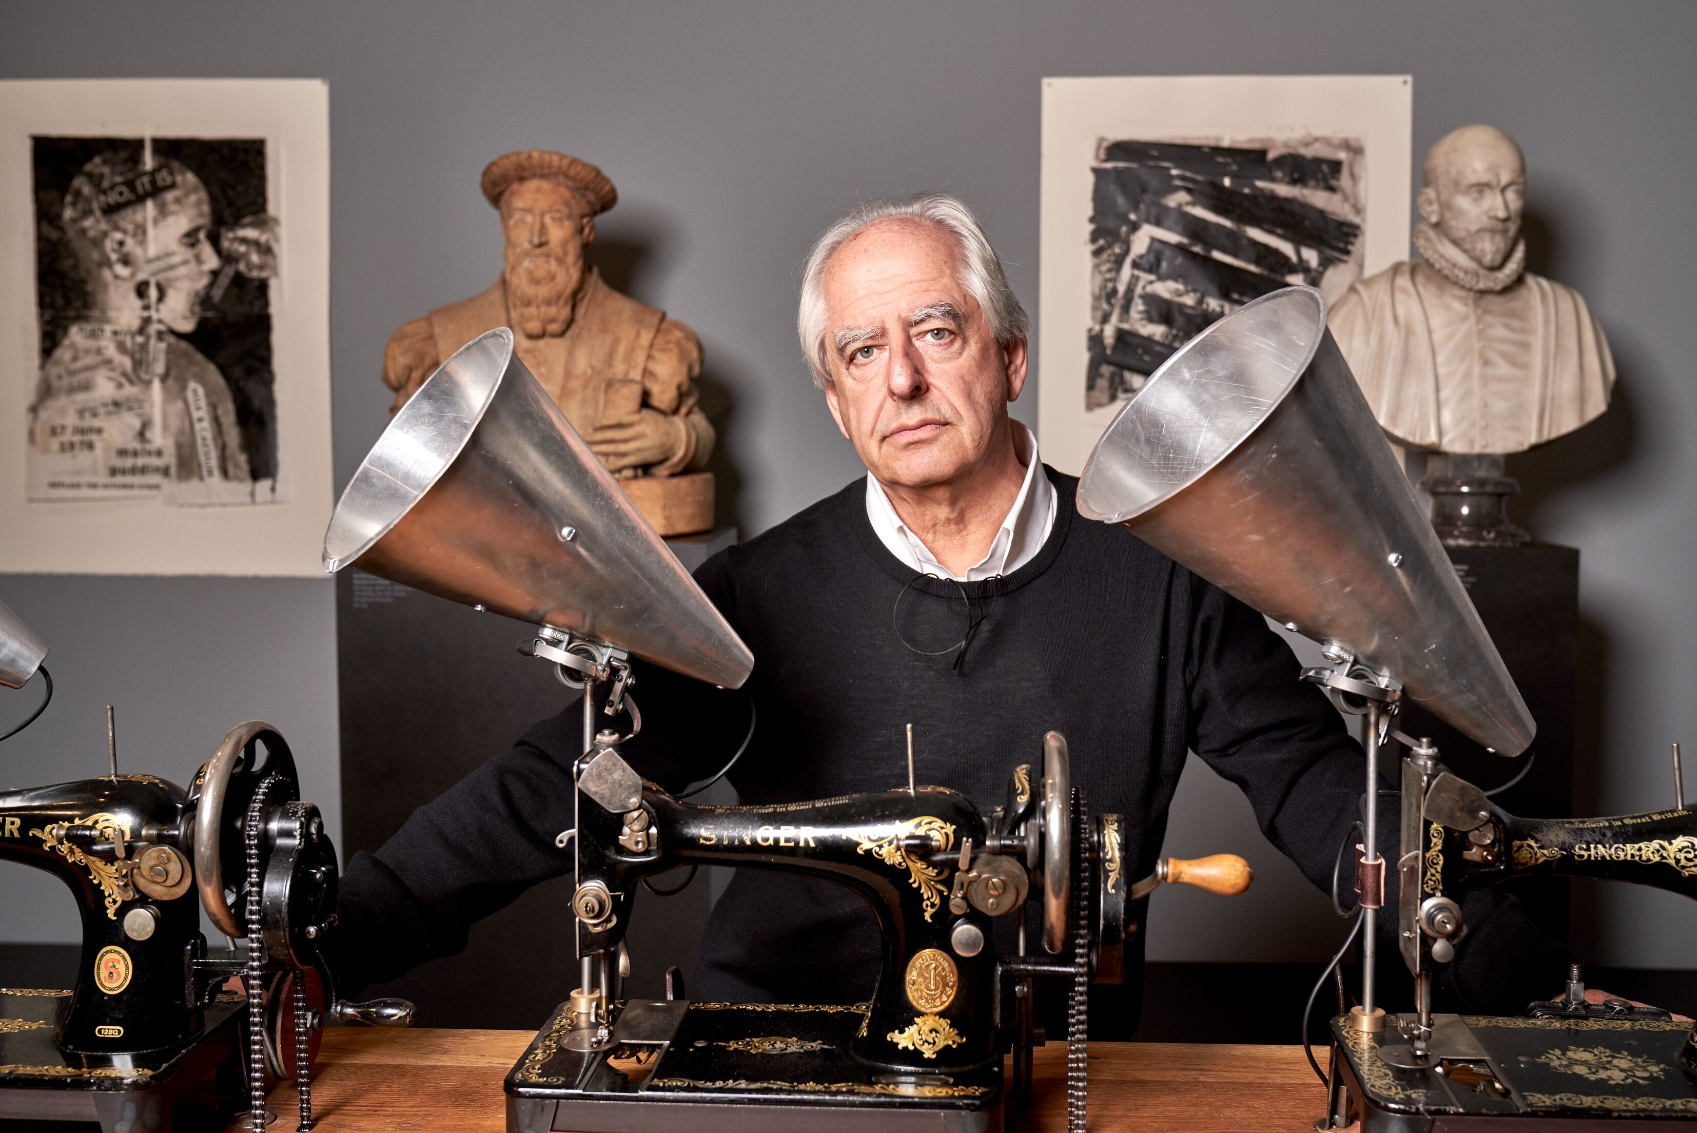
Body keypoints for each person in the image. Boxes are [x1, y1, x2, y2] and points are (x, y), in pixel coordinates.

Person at [333, 193, 1570, 1033]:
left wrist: (1519, 971)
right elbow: (552, 788)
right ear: (834, 399)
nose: (904, 378)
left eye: (936, 329)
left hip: (1055, 1055)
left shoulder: (1164, 573)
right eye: (861, 352)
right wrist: (331, 934)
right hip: (781, 1053)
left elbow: (1312, 788)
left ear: (1010, 357)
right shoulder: (754, 596)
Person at [382, 150, 713, 484]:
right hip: (480, 530)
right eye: (522, 219)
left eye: (556, 218)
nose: (536, 238)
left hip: (603, 532)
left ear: (584, 230)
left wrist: (675, 439)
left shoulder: (648, 337)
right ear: (504, 228)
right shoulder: (442, 338)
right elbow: (401, 458)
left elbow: (697, 430)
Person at [1328, 125, 1614, 456]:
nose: (1501, 211)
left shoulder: (1569, 318)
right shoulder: (1363, 314)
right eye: (1478, 192)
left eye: (1513, 191)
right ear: (1430, 205)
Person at [29, 150, 252, 503]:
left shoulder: (197, 371)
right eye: (191, 241)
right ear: (120, 253)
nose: (211, 261)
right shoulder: (70, 399)